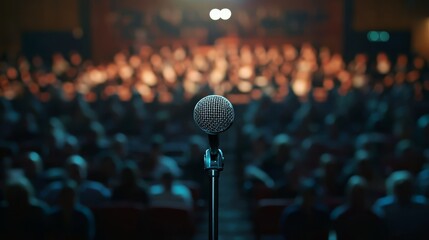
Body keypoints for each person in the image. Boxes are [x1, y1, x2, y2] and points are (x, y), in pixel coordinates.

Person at [373, 170, 429, 240]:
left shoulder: (422, 205)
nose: (403, 192)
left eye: (406, 188)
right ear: (393, 189)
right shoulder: (383, 207)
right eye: (400, 188)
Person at [40, 155, 111, 207]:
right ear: (66, 172)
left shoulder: (97, 190)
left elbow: (110, 201)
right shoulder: (53, 190)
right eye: (71, 171)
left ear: (85, 172)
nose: (74, 174)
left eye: (77, 171)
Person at [331, 175, 384, 240]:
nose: (358, 197)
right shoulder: (340, 217)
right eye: (355, 194)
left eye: (360, 193)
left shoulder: (374, 217)